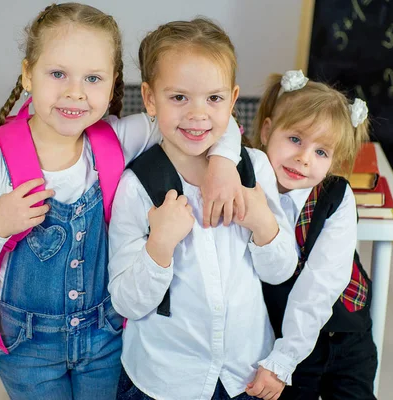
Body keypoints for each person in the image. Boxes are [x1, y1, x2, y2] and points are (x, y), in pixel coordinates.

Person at [0, 4, 244, 399]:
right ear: (27, 74)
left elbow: (206, 119)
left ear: (113, 82)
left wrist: (222, 163)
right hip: (27, 350)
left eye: (93, 78)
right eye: (57, 74)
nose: (75, 92)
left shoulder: (116, 141)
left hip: (106, 338)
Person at [109, 19, 298, 400]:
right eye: (179, 97)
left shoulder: (254, 169)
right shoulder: (137, 186)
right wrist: (158, 246)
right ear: (149, 98)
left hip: (242, 372)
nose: (198, 115)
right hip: (164, 378)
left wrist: (263, 222)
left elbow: (279, 273)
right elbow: (126, 302)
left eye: (213, 98)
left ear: (232, 99)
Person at [252, 70, 376, 400]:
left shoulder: (336, 196)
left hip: (345, 334)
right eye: (295, 139)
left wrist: (283, 359)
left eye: (322, 152)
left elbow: (319, 286)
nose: (304, 159)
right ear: (267, 131)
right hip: (281, 332)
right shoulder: (249, 185)